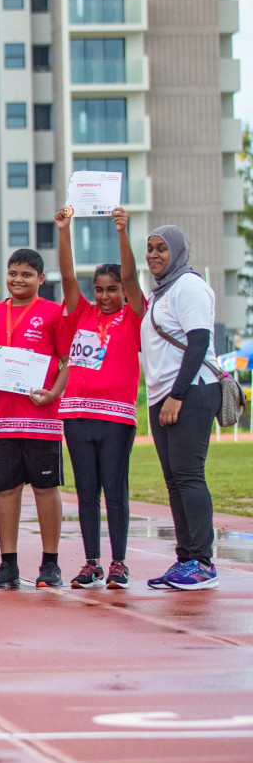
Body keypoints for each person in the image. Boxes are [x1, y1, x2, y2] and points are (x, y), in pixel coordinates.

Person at [0, 249, 69, 589]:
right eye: (13, 273)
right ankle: (8, 564)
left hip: (41, 416)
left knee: (45, 489)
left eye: (26, 274)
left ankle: (50, 564)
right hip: (2, 419)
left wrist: (54, 393)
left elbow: (68, 360)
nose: (18, 280)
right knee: (6, 491)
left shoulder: (54, 313)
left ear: (41, 279)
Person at [55, 206, 143, 589]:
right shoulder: (82, 314)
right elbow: (67, 275)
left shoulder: (136, 316)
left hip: (116, 418)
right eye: (100, 290)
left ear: (124, 290)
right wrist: (64, 230)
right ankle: (90, 562)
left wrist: (122, 232)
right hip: (76, 414)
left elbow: (132, 274)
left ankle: (118, 563)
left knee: (115, 490)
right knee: (86, 490)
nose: (106, 296)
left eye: (113, 289)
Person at [141, 224, 222, 590]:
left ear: (177, 251)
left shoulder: (189, 286)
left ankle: (202, 563)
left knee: (189, 475)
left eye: (162, 248)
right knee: (174, 481)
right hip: (165, 394)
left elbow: (199, 342)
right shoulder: (161, 292)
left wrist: (177, 394)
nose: (154, 255)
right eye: (150, 248)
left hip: (190, 392)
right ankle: (186, 558)